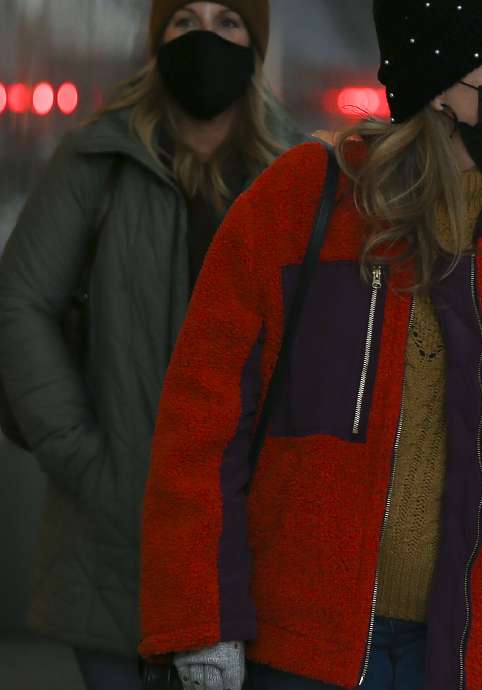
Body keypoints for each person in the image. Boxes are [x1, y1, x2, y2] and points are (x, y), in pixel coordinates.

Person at [138, 2, 482, 690]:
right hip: (306, 650)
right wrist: (204, 620)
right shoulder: (303, 201)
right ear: (442, 87)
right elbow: (202, 429)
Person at [0, 2, 294, 689]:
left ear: (255, 45)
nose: (204, 38)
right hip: (114, 527)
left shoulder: (294, 172)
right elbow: (21, 300)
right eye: (183, 19)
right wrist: (78, 450)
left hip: (248, 530)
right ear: (157, 38)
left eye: (228, 22)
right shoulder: (98, 155)